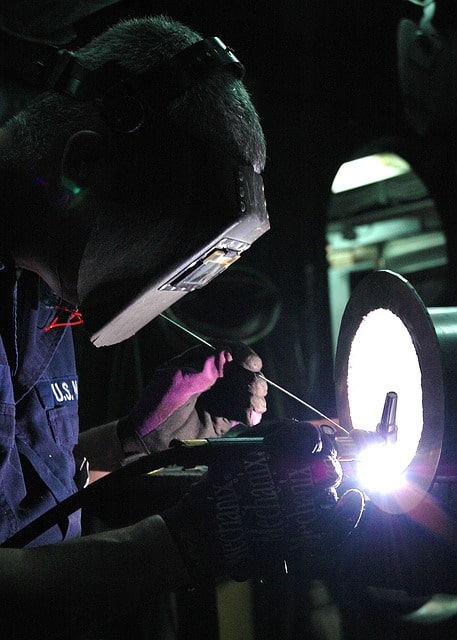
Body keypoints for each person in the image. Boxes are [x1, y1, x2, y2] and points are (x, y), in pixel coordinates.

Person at [0, 11, 361, 638]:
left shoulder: (37, 284)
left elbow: (25, 492)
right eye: (169, 254)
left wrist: (137, 439)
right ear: (82, 168)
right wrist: (177, 547)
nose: (169, 290)